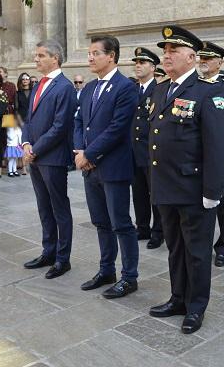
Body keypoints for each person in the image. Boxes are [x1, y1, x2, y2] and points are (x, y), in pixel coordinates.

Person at [148, 25, 224, 334]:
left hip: (194, 190)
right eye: (164, 51)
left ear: (192, 57)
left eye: (173, 51)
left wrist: (212, 192)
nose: (166, 55)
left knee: (196, 252)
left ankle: (196, 307)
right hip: (167, 187)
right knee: (175, 249)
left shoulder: (208, 92)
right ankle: (178, 298)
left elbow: (216, 146)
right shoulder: (161, 88)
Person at [74, 35, 139, 298]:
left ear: (111, 56)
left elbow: (118, 128)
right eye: (89, 53)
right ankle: (106, 270)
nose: (90, 57)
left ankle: (129, 277)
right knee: (100, 222)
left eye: (95, 53)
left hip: (113, 167)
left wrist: (89, 153)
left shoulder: (126, 87)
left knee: (121, 223)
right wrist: (80, 151)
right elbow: (79, 121)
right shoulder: (89, 88)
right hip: (90, 168)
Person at [22, 39, 76, 280]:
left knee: (59, 208)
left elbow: (60, 126)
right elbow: (29, 119)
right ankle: (48, 251)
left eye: (40, 55)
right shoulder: (38, 84)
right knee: (43, 207)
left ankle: (63, 259)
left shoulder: (64, 87)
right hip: (35, 156)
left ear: (55, 58)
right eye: (36, 55)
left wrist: (36, 149)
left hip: (52, 157)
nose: (36, 59)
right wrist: (24, 143)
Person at [197, 41, 224, 267]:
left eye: (208, 58)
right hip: (196, 160)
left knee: (223, 206)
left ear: (220, 62)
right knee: (199, 204)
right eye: (201, 57)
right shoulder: (193, 86)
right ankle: (201, 244)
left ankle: (223, 246)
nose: (203, 61)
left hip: (221, 160)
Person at [131, 47, 164, 249]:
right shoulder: (132, 89)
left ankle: (159, 231)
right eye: (136, 63)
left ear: (152, 67)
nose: (138, 66)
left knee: (155, 195)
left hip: (152, 153)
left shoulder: (160, 90)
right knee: (138, 193)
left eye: (142, 63)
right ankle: (142, 227)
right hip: (134, 151)